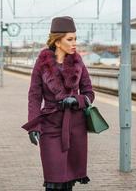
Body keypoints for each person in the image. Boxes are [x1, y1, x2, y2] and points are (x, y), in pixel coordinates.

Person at [22, 16, 95, 191]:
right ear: (57, 40)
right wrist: (33, 126)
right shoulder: (42, 63)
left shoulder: (78, 63)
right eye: (70, 39)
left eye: (75, 38)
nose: (74, 43)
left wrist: (76, 100)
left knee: (68, 181)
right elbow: (34, 96)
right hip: (50, 126)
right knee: (53, 180)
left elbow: (89, 93)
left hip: (75, 127)